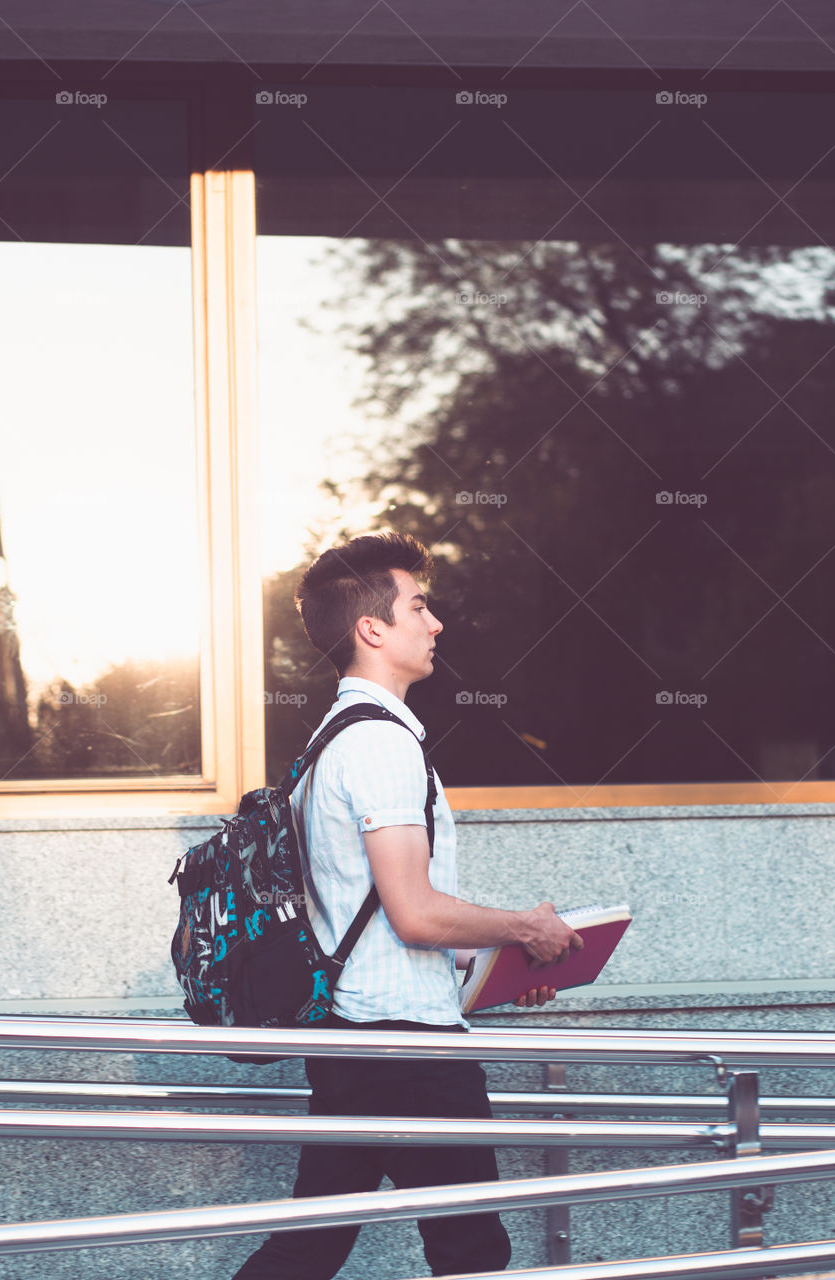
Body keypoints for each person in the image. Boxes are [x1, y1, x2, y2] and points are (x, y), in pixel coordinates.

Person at [232, 531, 582, 1279]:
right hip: (410, 1054)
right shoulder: (381, 744)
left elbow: (380, 921)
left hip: (358, 1041)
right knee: (471, 1255)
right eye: (418, 606)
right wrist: (523, 924)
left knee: (309, 1245)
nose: (435, 624)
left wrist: (502, 961)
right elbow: (413, 913)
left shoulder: (330, 742)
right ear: (371, 630)